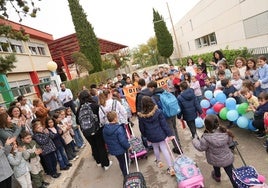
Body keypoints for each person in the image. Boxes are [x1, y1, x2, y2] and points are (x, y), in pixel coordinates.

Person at [192, 114, 237, 188]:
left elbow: (201, 148)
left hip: (214, 158)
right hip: (227, 158)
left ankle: (217, 177)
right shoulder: (225, 132)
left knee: (216, 166)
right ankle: (236, 185)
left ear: (206, 125)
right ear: (218, 122)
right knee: (231, 174)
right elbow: (230, 141)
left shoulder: (205, 138)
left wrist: (194, 140)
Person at [137, 96, 175, 176]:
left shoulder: (141, 116)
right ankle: (171, 167)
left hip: (150, 135)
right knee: (164, 149)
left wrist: (145, 136)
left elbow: (142, 128)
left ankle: (159, 161)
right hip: (160, 133)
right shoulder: (158, 112)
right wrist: (170, 134)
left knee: (155, 147)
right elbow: (164, 124)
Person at [76, 90, 112, 170]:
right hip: (97, 130)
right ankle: (106, 164)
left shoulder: (79, 109)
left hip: (86, 132)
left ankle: (98, 162)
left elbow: (78, 122)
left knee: (94, 146)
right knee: (101, 146)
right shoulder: (94, 105)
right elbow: (101, 118)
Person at [147, 81, 182, 154]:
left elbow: (156, 109)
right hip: (172, 112)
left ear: (153, 88)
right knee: (174, 129)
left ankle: (178, 148)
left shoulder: (154, 97)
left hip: (166, 115)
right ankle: (178, 144)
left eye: (149, 88)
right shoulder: (164, 91)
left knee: (171, 132)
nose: (149, 90)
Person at [103, 111, 130, 177]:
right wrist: (128, 146)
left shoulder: (105, 129)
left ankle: (125, 173)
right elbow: (122, 141)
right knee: (125, 162)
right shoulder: (119, 128)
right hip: (122, 149)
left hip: (113, 149)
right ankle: (126, 175)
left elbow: (105, 139)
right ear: (115, 119)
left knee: (121, 161)